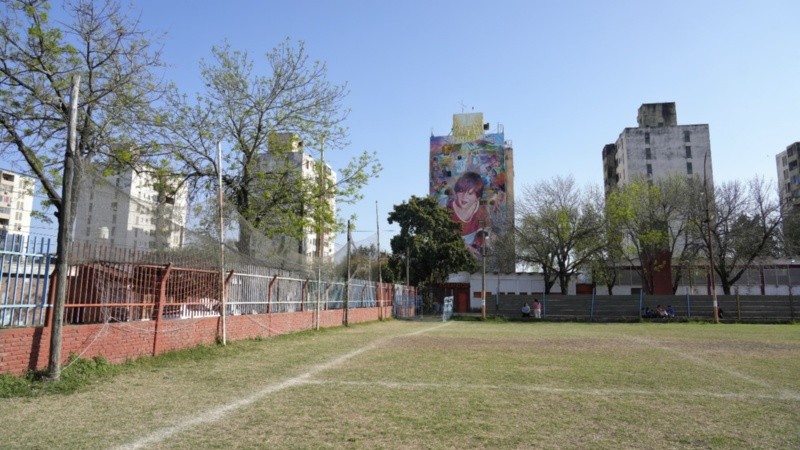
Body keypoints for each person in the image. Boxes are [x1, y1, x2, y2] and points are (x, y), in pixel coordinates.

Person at [448, 171, 489, 258]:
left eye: (470, 193)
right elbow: (446, 237)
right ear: (456, 192)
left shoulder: (481, 211)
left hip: (474, 255)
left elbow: (484, 234)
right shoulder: (448, 211)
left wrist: (480, 246)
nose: (464, 196)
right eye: (461, 191)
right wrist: (465, 247)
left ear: (477, 198)